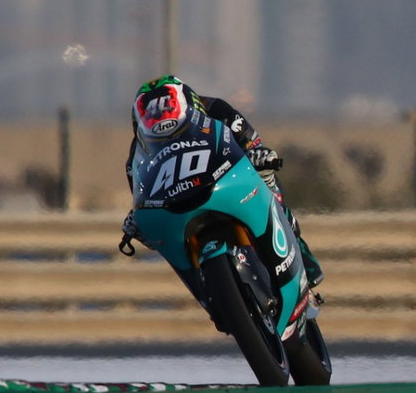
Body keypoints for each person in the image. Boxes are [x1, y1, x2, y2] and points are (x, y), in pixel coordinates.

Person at [120, 74, 324, 291]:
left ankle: (299, 250)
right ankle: (208, 291)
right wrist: (137, 220)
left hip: (226, 181)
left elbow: (251, 141)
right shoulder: (138, 152)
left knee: (267, 175)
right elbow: (140, 193)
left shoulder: (217, 109)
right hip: (180, 205)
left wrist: (258, 155)